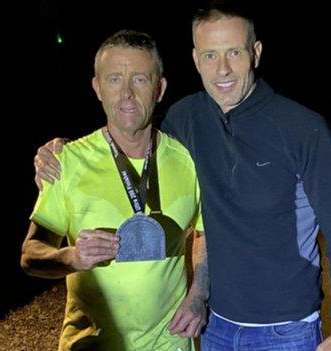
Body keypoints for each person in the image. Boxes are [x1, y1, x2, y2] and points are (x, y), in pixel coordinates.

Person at [34, 3, 331, 351]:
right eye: (210, 55)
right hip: (215, 328)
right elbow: (132, 131)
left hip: (285, 330)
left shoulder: (303, 129)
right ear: (196, 60)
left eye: (234, 54)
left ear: (255, 53)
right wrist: (61, 149)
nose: (222, 69)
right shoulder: (186, 118)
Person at [21, 29, 208, 351]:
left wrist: (198, 295)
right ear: (97, 88)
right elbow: (31, 253)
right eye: (114, 80)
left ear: (159, 89)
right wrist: (71, 256)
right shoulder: (67, 162)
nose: (126, 94)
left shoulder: (188, 161)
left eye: (139, 80)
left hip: (170, 343)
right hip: (91, 344)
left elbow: (205, 235)